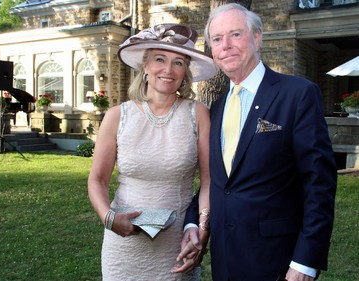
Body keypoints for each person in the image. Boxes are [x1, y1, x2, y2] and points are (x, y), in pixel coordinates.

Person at [174, 3, 337, 281]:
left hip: (278, 262)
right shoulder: (217, 106)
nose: (226, 45)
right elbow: (218, 179)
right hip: (225, 260)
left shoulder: (297, 95)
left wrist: (305, 262)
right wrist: (193, 222)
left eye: (235, 34)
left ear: (257, 37)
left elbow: (319, 183)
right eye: (217, 39)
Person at [87, 23, 218, 280]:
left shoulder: (198, 114)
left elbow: (209, 181)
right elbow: (97, 180)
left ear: (185, 72)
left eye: (178, 62)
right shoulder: (117, 116)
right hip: (122, 245)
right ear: (145, 66)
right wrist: (109, 218)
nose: (168, 70)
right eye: (160, 59)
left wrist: (202, 229)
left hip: (178, 242)